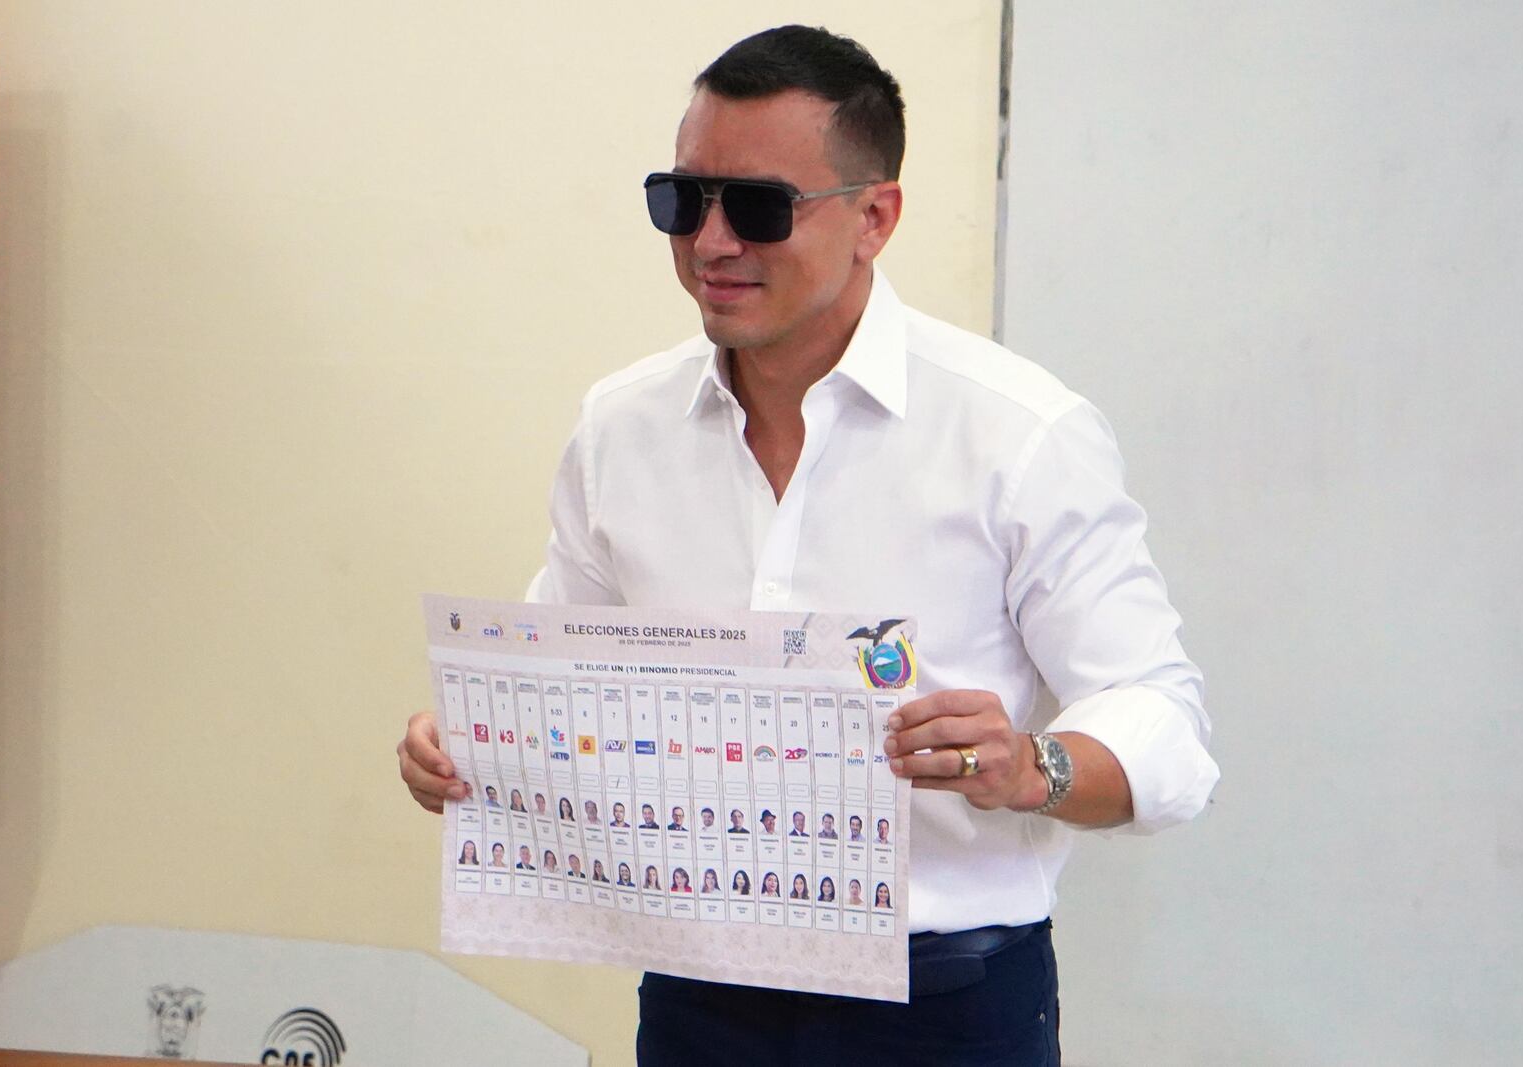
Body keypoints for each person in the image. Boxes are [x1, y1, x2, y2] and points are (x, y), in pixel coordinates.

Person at [396, 25, 1218, 1066]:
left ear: (875, 216)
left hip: (948, 1005)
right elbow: (560, 676)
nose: (709, 242)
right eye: (682, 200)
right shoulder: (620, 430)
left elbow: (1166, 723)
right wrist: (469, 741)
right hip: (699, 999)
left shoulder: (1018, 434)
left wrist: (1029, 764)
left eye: (757, 206)